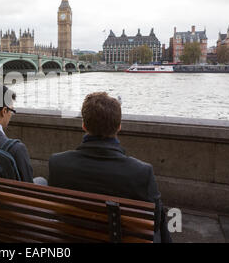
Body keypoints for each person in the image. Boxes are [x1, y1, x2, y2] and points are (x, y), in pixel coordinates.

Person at [48, 92, 171, 243]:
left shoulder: (57, 163)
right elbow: (155, 222)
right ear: (119, 126)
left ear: (84, 125)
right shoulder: (141, 172)